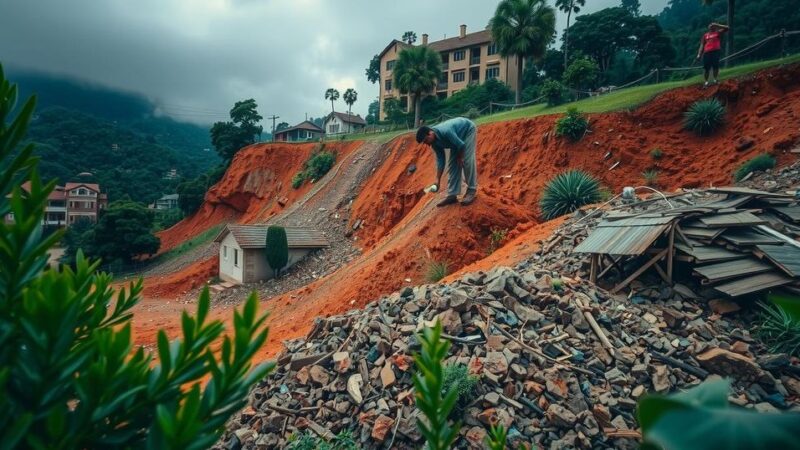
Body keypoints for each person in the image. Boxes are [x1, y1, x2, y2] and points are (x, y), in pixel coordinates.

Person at [416, 117, 478, 207]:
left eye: (426, 140)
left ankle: (471, 191)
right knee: (452, 164)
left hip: (467, 130)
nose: (427, 144)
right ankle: (452, 195)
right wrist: (437, 180)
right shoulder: (434, 143)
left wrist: (460, 157)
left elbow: (461, 145)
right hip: (456, 138)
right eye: (424, 143)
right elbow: (441, 160)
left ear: (430, 133)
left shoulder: (446, 131)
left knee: (467, 161)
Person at [696, 22, 729, 88]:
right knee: (706, 68)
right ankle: (706, 82)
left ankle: (715, 80)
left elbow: (727, 28)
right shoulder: (705, 35)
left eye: (712, 25)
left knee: (715, 66)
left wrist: (717, 25)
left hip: (716, 51)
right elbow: (702, 45)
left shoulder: (718, 32)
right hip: (707, 52)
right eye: (710, 25)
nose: (711, 25)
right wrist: (699, 54)